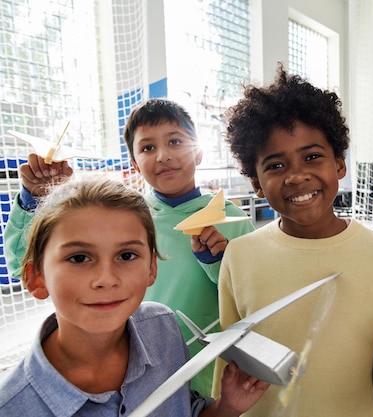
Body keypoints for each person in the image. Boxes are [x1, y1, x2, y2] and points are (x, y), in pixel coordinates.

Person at [4, 99, 255, 396]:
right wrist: (39, 198)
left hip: (204, 370)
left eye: (175, 141)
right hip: (126, 368)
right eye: (148, 148)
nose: (163, 156)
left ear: (198, 151)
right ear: (135, 164)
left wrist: (218, 262)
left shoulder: (234, 220)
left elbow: (251, 301)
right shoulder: (123, 217)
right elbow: (26, 264)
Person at [211, 64, 373, 417]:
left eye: (312, 157)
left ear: (339, 163)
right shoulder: (241, 256)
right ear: (257, 184)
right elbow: (229, 366)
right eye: (276, 166)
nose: (296, 176)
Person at [0, 176, 269, 416]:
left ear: (152, 268)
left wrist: (227, 407)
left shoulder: (162, 326)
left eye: (127, 255)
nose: (106, 279)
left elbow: (184, 408)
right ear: (37, 277)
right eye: (79, 258)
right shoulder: (13, 406)